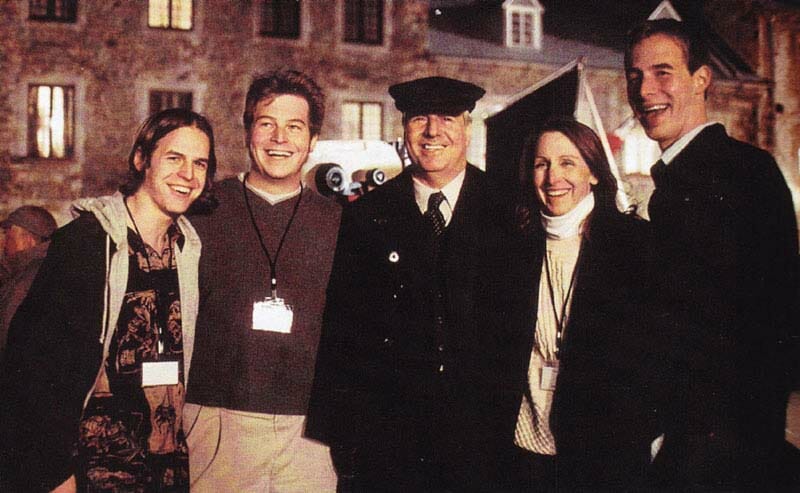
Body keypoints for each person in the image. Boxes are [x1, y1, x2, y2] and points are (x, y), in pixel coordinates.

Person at [306, 76, 521, 491]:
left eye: (446, 118)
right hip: (390, 445)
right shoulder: (368, 215)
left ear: (467, 128)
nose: (432, 132)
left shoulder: (509, 209)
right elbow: (343, 329)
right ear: (404, 130)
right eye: (420, 118)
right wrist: (342, 435)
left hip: (483, 446)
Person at [0, 107, 216, 492]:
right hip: (89, 474)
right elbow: (30, 372)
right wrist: (54, 476)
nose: (188, 175)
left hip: (164, 473)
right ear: (141, 160)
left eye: (199, 163)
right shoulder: (87, 244)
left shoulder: (189, 252)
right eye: (175, 158)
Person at [625, 19, 799, 489]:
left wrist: (684, 442)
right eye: (635, 76)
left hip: (714, 452)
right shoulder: (680, 178)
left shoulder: (742, 173)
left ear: (702, 79)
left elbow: (771, 326)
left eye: (663, 73)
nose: (645, 90)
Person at [183, 70, 340, 492]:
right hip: (217, 422)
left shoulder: (341, 223)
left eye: (294, 127)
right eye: (266, 124)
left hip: (308, 432)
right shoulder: (200, 210)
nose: (279, 138)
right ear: (248, 131)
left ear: (313, 140)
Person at [503, 118, 665, 490]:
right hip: (522, 453)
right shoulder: (514, 246)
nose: (552, 176)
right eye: (541, 164)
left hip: (602, 460)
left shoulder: (634, 245)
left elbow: (660, 359)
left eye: (567, 163)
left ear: (593, 172)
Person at [0, 205, 57, 353]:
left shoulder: (30, 278)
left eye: (7, 234)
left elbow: (7, 334)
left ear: (29, 239)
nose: (3, 242)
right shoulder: (49, 269)